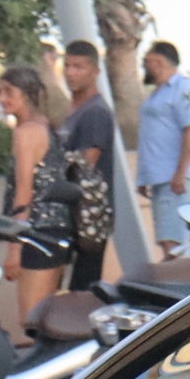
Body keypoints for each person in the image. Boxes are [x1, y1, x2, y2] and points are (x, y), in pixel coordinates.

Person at [0, 65, 65, 325]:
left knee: (32, 323)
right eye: (0, 92)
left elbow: (23, 191)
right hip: (56, 232)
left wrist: (14, 248)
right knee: (48, 320)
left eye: (8, 92)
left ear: (28, 94)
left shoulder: (25, 133)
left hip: (36, 236)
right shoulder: (45, 126)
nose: (2, 98)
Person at [135, 40, 190, 260]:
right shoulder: (157, 93)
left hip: (176, 179)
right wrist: (144, 177)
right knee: (168, 243)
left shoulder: (183, 87)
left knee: (174, 245)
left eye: (146, 60)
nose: (144, 65)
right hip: (161, 179)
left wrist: (180, 173)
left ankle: (183, 291)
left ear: (158, 61)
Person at [57, 40, 118, 290]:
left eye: (79, 67)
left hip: (87, 221)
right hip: (71, 217)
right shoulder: (75, 111)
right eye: (68, 66)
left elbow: (86, 162)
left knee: (81, 294)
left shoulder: (95, 113)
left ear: (95, 71)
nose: (71, 73)